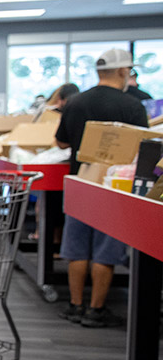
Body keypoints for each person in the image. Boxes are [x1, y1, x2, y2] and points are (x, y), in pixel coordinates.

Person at [55, 48, 149, 328]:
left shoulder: (75, 102)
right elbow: (145, 148)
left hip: (80, 181)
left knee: (76, 247)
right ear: (122, 71)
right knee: (105, 250)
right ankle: (95, 310)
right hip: (114, 185)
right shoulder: (133, 106)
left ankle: (75, 305)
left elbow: (60, 142)